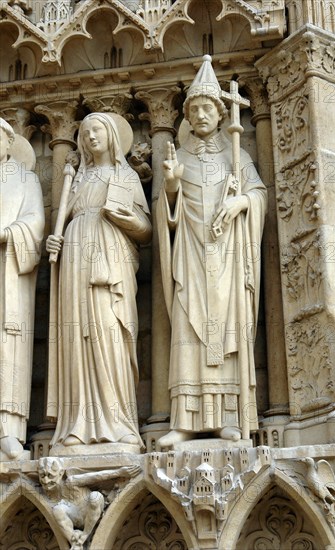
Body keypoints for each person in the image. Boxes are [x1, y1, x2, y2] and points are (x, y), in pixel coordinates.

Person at [157, 56, 267, 449]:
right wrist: (170, 185)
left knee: (227, 330)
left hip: (227, 257)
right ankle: (184, 420)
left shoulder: (236, 157)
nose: (201, 114)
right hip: (190, 256)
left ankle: (229, 418)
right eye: (195, 109)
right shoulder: (180, 159)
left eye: (207, 108)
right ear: (187, 115)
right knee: (189, 330)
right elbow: (166, 213)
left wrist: (243, 204)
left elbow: (257, 194)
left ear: (221, 114)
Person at [46, 113, 151, 449]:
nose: (90, 136)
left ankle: (119, 423)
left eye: (97, 130)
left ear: (112, 136)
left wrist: (126, 219)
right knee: (77, 338)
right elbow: (64, 220)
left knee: (111, 333)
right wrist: (54, 242)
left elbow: (147, 231)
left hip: (112, 260)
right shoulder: (75, 179)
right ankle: (75, 424)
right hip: (75, 262)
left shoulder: (126, 176)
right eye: (85, 132)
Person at [0, 117, 44, 459]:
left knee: (8, 345)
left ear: (8, 142)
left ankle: (9, 431)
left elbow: (35, 223)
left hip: (9, 271)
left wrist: (8, 235)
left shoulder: (26, 179)